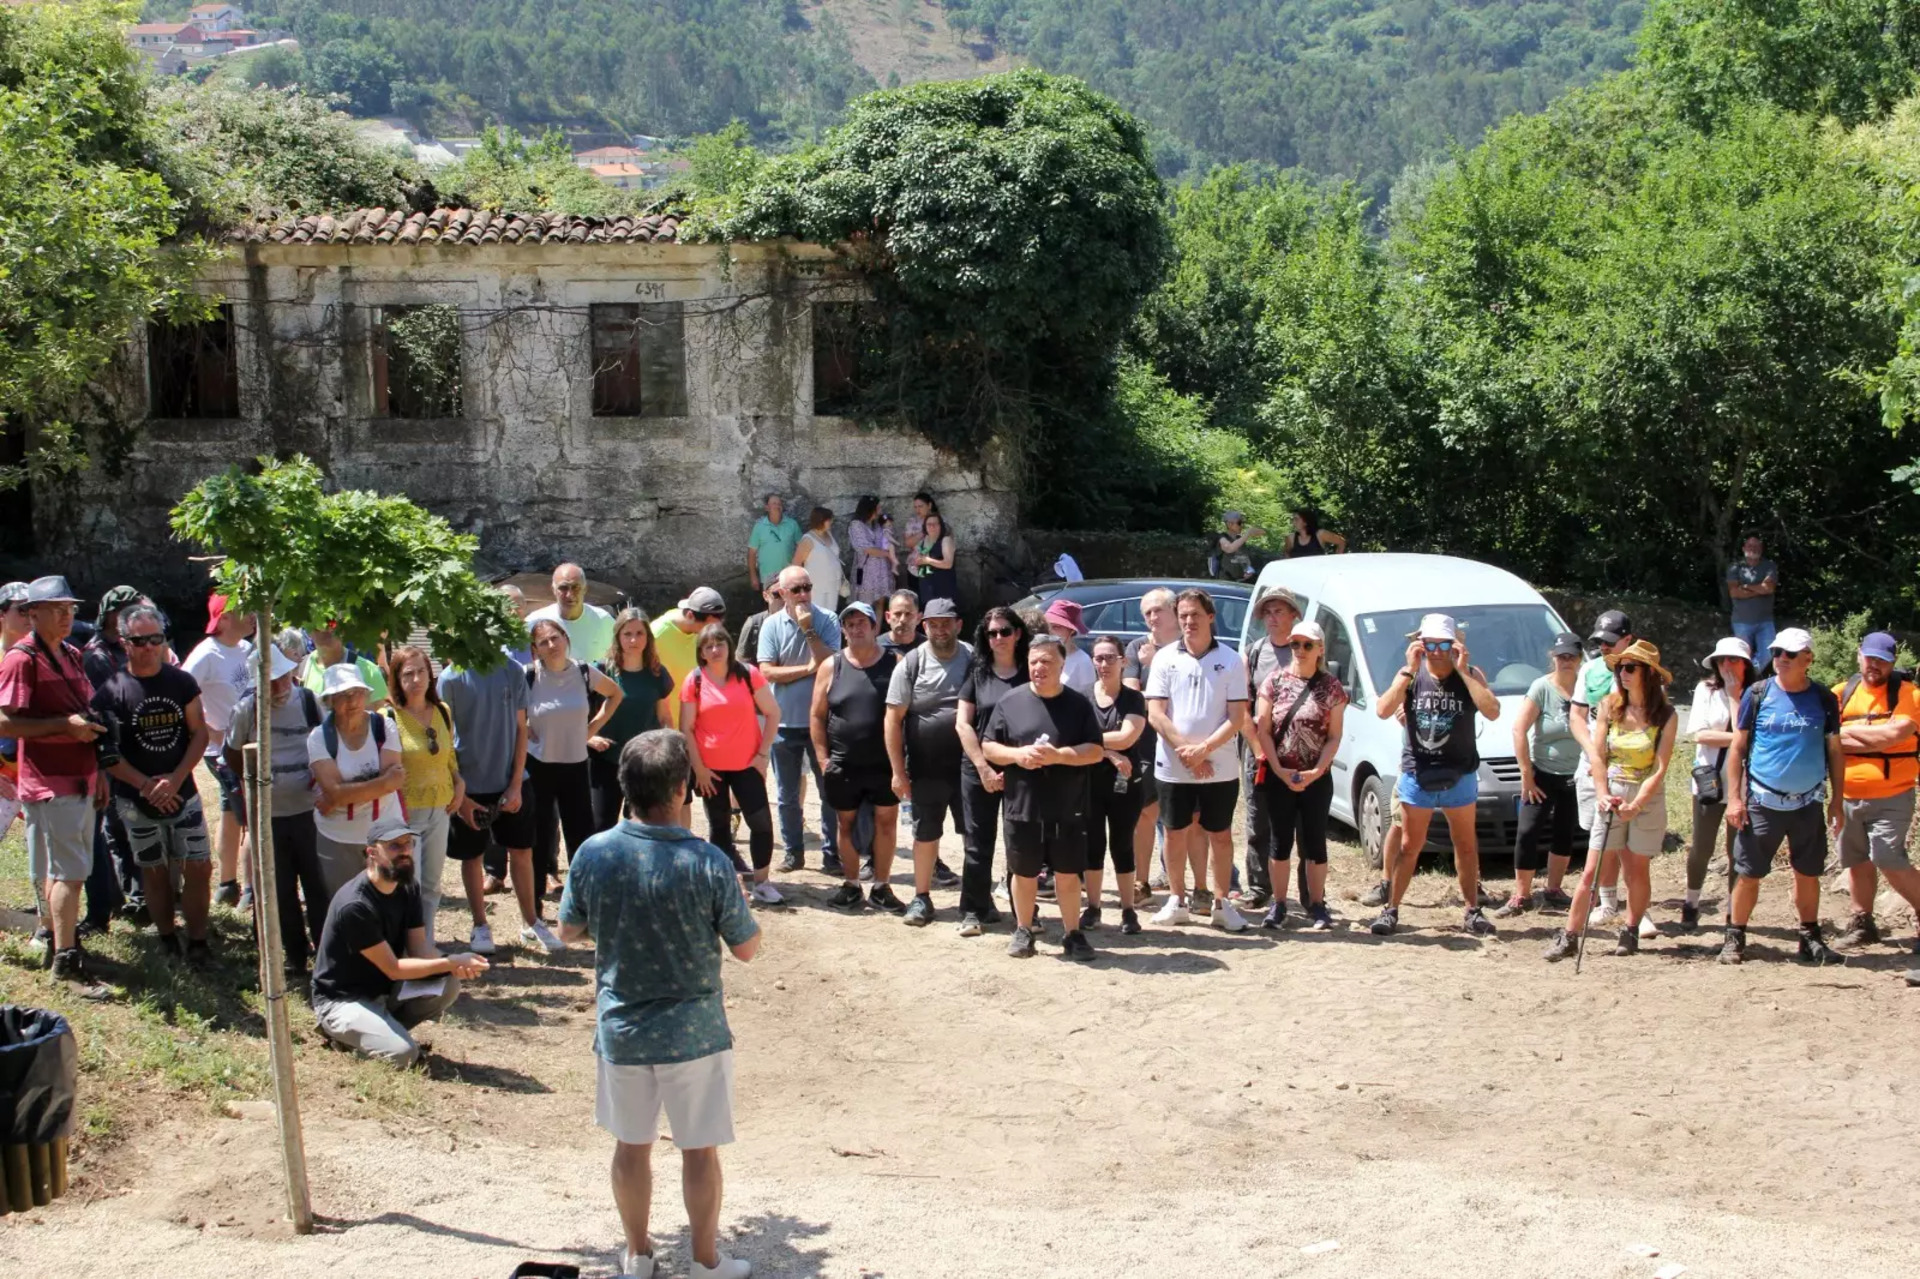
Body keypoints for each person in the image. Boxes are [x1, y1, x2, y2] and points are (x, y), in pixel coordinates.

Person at [557, 730, 762, 1279]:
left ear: (626, 788)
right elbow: (746, 948)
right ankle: (704, 1262)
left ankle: (638, 1255)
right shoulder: (708, 861)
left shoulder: (593, 853)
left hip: (623, 1026)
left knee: (631, 1146)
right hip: (693, 1031)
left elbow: (569, 930)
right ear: (679, 790)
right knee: (700, 1151)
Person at [309, 814, 489, 1067]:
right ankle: (346, 1034)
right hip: (341, 1001)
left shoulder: (407, 887)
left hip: (383, 991)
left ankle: (383, 1029)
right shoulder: (356, 905)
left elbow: (420, 949)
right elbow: (393, 968)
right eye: (395, 846)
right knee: (404, 1056)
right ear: (372, 853)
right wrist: (449, 961)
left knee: (448, 984)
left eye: (408, 844)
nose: (405, 852)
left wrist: (453, 966)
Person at [0, 576, 107, 989]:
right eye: (57, 608)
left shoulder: (72, 653)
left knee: (63, 868)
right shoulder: (20, 659)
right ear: (32, 613)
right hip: (50, 781)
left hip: (80, 777)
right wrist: (65, 726)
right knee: (70, 873)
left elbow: (87, 714)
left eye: (71, 608)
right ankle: (67, 960)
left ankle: (60, 942)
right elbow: (6, 721)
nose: (67, 616)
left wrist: (98, 772)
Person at [1370, 613, 1502, 938]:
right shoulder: (1412, 676)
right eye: (1430, 643)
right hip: (1419, 771)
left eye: (1444, 643)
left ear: (1455, 644)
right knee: (1409, 845)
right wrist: (1408, 669)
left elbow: (1493, 710)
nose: (1437, 650)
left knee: (1466, 844)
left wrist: (1463, 670)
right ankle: (1392, 910)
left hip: (1460, 772)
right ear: (1420, 643)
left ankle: (1472, 910)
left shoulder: (1469, 675)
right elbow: (1383, 709)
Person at [1545, 642, 1679, 960]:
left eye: (1631, 668)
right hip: (1613, 791)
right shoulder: (1608, 705)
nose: (1622, 673)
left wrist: (1638, 803)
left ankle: (1630, 931)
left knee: (1636, 869)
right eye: (1620, 667)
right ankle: (1569, 936)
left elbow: (1660, 766)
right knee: (1590, 870)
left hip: (1646, 794)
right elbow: (1598, 755)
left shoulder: (1666, 715)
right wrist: (1603, 793)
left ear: (1648, 674)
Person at [93, 604, 212, 960]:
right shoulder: (111, 692)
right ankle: (166, 938)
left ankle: (198, 940)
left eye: (155, 639)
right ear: (125, 642)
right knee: (154, 870)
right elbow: (108, 754)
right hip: (135, 800)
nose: (149, 647)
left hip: (183, 794)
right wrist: (147, 786)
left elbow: (200, 734)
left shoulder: (181, 682)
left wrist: (174, 781)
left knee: (199, 866)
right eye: (140, 641)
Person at [1722, 627, 1844, 965]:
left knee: (1808, 871)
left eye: (1790, 654)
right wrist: (1735, 798)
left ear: (1808, 658)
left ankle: (1809, 938)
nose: (1781, 659)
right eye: (1777, 653)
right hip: (1762, 800)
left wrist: (1837, 799)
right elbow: (1738, 747)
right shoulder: (1757, 694)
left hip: (1808, 801)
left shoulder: (1823, 698)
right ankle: (1735, 936)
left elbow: (1835, 751)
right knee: (1749, 872)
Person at [982, 633, 1105, 960]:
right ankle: (1023, 931)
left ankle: (1072, 934)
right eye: (1034, 661)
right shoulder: (1011, 701)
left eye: (1047, 661)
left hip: (1068, 806)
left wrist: (1060, 755)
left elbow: (1095, 750)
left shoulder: (1078, 704)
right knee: (1023, 873)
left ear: (1062, 664)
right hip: (1023, 806)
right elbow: (988, 746)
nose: (1039, 667)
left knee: (1067, 874)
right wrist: (1018, 755)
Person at [1145, 588, 1251, 932]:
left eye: (1195, 615)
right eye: (1184, 615)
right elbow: (1156, 714)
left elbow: (1236, 717)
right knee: (1175, 833)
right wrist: (1187, 753)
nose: (1189, 621)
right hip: (1173, 766)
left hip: (1219, 768)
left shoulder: (1232, 660)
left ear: (1210, 617)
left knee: (1219, 834)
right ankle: (1177, 900)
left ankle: (1222, 904)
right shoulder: (1164, 659)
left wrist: (1203, 751)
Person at [228, 639, 331, 978]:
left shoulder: (308, 701)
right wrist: (254, 785)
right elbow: (233, 752)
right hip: (268, 816)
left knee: (317, 884)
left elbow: (327, 742)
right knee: (278, 888)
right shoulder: (247, 709)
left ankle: (325, 951)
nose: (279, 686)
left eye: (284, 678)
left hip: (309, 813)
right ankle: (292, 956)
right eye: (271, 681)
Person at [438, 613, 535, 956]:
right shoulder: (450, 678)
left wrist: (515, 784)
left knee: (522, 850)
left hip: (510, 780)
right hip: (469, 785)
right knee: (472, 856)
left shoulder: (512, 671)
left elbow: (522, 730)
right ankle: (480, 925)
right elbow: (444, 743)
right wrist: (459, 794)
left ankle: (532, 923)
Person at [1253, 619, 1348, 931]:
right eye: (1295, 644)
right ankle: (1279, 904)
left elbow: (1334, 736)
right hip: (1281, 776)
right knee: (1279, 841)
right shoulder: (1274, 682)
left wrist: (1318, 770)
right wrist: (1279, 769)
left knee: (1315, 841)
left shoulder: (1331, 687)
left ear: (1320, 649)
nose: (1300, 650)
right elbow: (1263, 729)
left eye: (1307, 645)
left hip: (1316, 777)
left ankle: (1317, 904)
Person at [525, 618, 624, 915]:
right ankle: (535, 909)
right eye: (543, 642)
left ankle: (583, 905)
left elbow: (615, 694)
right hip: (539, 765)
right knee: (539, 839)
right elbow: (509, 709)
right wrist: (524, 728)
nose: (551, 646)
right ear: (535, 649)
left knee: (581, 837)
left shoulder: (583, 672)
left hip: (576, 765)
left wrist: (591, 731)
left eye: (555, 638)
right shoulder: (527, 676)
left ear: (565, 638)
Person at [811, 602, 903, 913]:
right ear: (843, 630)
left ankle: (881, 886)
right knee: (845, 825)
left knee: (886, 824)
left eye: (862, 622)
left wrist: (903, 765)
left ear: (876, 627)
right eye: (849, 623)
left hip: (884, 764)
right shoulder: (830, 666)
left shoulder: (896, 663)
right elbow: (816, 716)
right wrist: (823, 760)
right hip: (843, 764)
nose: (856, 627)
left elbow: (909, 714)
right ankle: (851, 885)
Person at [1831, 631, 1920, 953]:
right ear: (1859, 656)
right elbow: (1822, 735)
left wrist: (1845, 735)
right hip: (1847, 794)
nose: (1875, 665)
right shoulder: (1842, 692)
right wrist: (1873, 734)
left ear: (1893, 662)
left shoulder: (1909, 693)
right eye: (1870, 658)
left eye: (1882, 660)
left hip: (1893, 793)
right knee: (1855, 859)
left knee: (1887, 856)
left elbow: (1895, 735)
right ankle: (1862, 922)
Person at [885, 598, 970, 926]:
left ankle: (974, 897)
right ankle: (921, 898)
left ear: (958, 624)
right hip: (925, 766)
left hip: (967, 766)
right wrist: (897, 771)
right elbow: (893, 719)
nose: (940, 629)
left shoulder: (973, 657)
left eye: (946, 622)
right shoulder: (911, 663)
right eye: (934, 623)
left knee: (973, 833)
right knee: (925, 834)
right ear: (925, 627)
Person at [679, 624, 779, 900]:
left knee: (760, 823)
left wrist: (762, 754)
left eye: (719, 643)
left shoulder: (748, 674)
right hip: (710, 768)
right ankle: (726, 883)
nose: (715, 650)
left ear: (729, 645)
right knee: (719, 825)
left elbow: (773, 712)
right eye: (708, 646)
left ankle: (762, 882)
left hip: (747, 764)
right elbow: (686, 727)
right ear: (701, 652)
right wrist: (698, 768)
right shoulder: (695, 680)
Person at [758, 566, 845, 872]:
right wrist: (808, 670)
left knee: (829, 792)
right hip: (784, 725)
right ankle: (793, 852)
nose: (804, 594)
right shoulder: (771, 625)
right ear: (782, 594)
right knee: (786, 795)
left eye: (807, 587)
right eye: (796, 590)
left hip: (821, 724)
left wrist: (808, 629)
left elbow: (833, 664)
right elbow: (768, 672)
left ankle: (832, 853)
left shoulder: (828, 619)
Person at [1569, 609, 1648, 935]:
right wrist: (1592, 752)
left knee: (1631, 845)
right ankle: (1607, 902)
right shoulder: (1588, 671)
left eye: (1610, 642)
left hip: (1630, 769)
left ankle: (1637, 911)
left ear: (1628, 640)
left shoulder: (1641, 671)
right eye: (1599, 641)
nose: (1603, 646)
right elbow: (1577, 716)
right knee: (1599, 842)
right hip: (1593, 767)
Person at [954, 607, 1030, 936]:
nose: (997, 638)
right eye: (991, 633)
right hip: (978, 768)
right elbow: (962, 723)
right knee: (977, 842)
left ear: (1018, 633)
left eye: (1004, 631)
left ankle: (1025, 911)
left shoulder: (1032, 672)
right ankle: (974, 908)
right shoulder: (977, 672)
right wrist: (983, 768)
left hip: (1021, 769)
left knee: (1021, 843)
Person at [1499, 631, 1586, 917]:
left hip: (1576, 773)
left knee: (1565, 831)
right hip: (1542, 772)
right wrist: (1527, 774)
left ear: (1580, 658)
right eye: (1561, 656)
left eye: (1571, 656)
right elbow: (1518, 729)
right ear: (1553, 657)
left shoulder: (1587, 688)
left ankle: (1554, 889)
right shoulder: (1541, 687)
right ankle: (1521, 894)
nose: (1566, 662)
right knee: (1527, 831)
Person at [383, 645, 465, 945]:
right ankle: (405, 948)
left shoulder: (442, 711)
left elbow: (449, 757)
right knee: (407, 884)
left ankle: (425, 943)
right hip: (406, 815)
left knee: (431, 884)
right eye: (408, 674)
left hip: (440, 809)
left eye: (421, 672)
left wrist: (459, 784)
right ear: (397, 679)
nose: (416, 679)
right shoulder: (388, 717)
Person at [308, 663, 407, 902]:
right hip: (338, 838)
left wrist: (343, 792)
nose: (351, 700)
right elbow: (336, 794)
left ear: (366, 695)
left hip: (385, 835)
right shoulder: (319, 738)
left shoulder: (385, 726)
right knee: (346, 905)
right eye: (342, 695)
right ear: (330, 700)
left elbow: (394, 782)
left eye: (356, 693)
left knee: (388, 902)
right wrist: (381, 783)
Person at [184, 592, 255, 910]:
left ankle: (227, 884)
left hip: (250, 747)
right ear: (224, 618)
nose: (253, 614)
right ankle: (253, 888)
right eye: (245, 609)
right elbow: (180, 692)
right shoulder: (206, 654)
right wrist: (207, 729)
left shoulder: (247, 649)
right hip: (223, 751)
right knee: (252, 814)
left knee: (230, 811)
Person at [1235, 585, 1302, 912]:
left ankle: (1307, 892)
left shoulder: (1305, 649)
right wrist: (1257, 747)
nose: (1273, 618)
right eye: (1268, 612)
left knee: (1300, 822)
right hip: (1259, 752)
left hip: (1298, 753)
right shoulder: (1252, 652)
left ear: (1293, 616)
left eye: (1280, 611)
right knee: (1258, 820)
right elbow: (1241, 706)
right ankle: (1259, 887)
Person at [1683, 637, 1753, 930]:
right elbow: (1699, 734)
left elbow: (1751, 735)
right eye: (1722, 659)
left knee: (1737, 850)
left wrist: (1737, 695)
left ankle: (1732, 912)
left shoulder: (1756, 693)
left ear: (1746, 664)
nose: (1727, 665)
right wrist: (1739, 739)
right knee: (1702, 846)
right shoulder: (1706, 690)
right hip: (1709, 781)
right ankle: (1691, 902)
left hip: (1744, 785)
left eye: (1734, 659)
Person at [1082, 635, 1147, 934]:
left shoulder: (1134, 698)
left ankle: (1128, 911)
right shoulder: (1081, 696)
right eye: (1098, 658)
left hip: (1125, 784)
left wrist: (1093, 744)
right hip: (1089, 783)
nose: (1104, 664)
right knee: (1092, 846)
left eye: (1110, 657)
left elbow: (1127, 737)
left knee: (1122, 845)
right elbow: (1071, 738)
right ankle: (1093, 908)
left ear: (1124, 661)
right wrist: (1107, 752)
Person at [593, 608, 677, 832]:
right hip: (605, 760)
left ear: (648, 637)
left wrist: (671, 753)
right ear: (618, 636)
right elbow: (579, 713)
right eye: (627, 634)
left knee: (642, 827)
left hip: (645, 762)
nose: (633, 640)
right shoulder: (601, 671)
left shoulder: (658, 674)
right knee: (601, 825)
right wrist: (589, 738)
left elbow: (664, 716)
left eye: (640, 633)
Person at [1124, 587, 1179, 905]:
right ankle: (1141, 883)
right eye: (1147, 613)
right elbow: (1133, 694)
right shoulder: (1136, 647)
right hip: (1145, 745)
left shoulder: (1188, 647)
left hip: (1181, 744)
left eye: (1158, 610)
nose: (1152, 618)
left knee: (1184, 822)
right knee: (1144, 815)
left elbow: (1187, 694)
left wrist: (1154, 665)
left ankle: (1183, 890)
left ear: (1174, 611)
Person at [652, 587, 727, 721]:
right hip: (669, 727)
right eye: (707, 627)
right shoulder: (656, 636)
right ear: (690, 615)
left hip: (698, 723)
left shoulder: (701, 630)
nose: (712, 633)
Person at [528, 562, 618, 664]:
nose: (569, 595)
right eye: (563, 588)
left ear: (585, 589)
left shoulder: (603, 621)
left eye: (575, 587)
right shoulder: (534, 623)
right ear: (553, 590)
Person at [0, 582, 30, 844]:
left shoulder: (45, 658)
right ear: (2, 614)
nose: (29, 617)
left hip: (39, 775)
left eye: (33, 610)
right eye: (21, 610)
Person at [299, 623, 390, 708]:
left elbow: (379, 720)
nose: (325, 627)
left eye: (332, 622)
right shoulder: (300, 670)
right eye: (318, 622)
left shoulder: (370, 672)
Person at [1727, 534, 1778, 661]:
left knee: (1768, 655)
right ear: (1744, 548)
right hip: (1741, 622)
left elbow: (1768, 588)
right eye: (1750, 546)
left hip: (1765, 621)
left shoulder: (1769, 566)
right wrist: (1759, 589)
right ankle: (1746, 679)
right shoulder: (1735, 567)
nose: (1753, 548)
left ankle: (1752, 676)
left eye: (1756, 546)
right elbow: (1734, 592)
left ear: (1761, 548)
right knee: (1742, 657)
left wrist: (1745, 586)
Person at [746, 492, 802, 595]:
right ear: (767, 507)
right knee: (770, 608)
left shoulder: (792, 524)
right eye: (774, 503)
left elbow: (802, 548)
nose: (777, 506)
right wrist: (753, 577)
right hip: (767, 579)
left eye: (779, 504)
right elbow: (752, 553)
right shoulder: (759, 527)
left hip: (788, 577)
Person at [849, 496, 898, 605]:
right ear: (871, 509)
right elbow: (867, 549)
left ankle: (878, 623)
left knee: (880, 603)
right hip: (866, 571)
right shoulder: (856, 525)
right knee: (865, 604)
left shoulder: (876, 524)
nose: (880, 510)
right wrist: (888, 554)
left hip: (881, 571)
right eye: (878, 507)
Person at [905, 511, 959, 612]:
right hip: (926, 588)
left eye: (935, 524)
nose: (932, 527)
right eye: (929, 524)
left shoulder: (946, 540)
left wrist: (928, 560)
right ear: (925, 527)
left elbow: (948, 564)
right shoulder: (923, 542)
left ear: (941, 526)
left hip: (943, 588)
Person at [1042, 598, 1096, 696]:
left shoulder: (1083, 661)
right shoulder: (1040, 656)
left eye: (1056, 627)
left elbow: (1089, 698)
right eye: (1048, 626)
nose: (1050, 631)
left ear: (1071, 631)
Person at [798, 506, 843, 607]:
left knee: (831, 614)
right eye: (828, 519)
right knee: (817, 615)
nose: (831, 521)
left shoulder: (829, 534)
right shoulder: (808, 540)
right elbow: (796, 563)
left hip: (833, 584)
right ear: (820, 520)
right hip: (816, 587)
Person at [736, 582, 781, 673]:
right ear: (765, 596)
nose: (783, 599)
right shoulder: (754, 623)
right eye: (777, 594)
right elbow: (742, 662)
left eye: (786, 593)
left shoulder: (799, 621)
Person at [1213, 511, 1265, 582]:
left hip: (1240, 581)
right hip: (1225, 581)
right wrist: (1248, 534)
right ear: (1229, 524)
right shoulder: (1221, 537)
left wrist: (1249, 569)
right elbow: (1229, 548)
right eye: (1239, 523)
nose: (1241, 526)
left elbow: (1242, 558)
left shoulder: (1239, 540)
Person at [879, 589, 922, 656]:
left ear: (918, 618)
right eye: (898, 614)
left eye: (908, 614)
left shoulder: (928, 648)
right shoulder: (875, 648)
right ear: (888, 617)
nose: (902, 620)